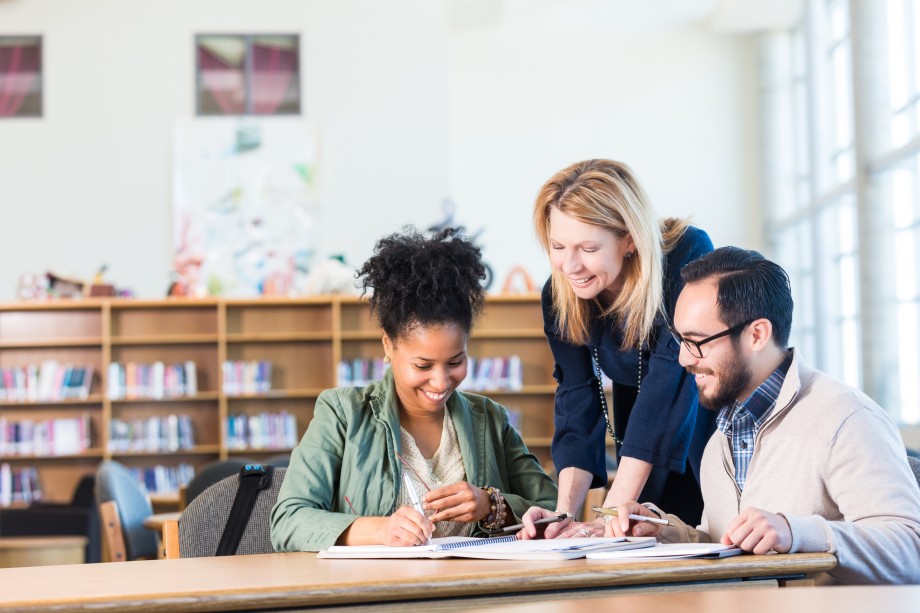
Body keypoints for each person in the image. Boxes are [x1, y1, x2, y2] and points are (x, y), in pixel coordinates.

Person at [608, 247, 920, 584]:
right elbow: (728, 548)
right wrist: (665, 532)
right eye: (680, 341)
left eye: (697, 341)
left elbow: (908, 548)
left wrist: (794, 531)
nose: (683, 359)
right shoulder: (719, 439)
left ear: (757, 335)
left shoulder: (848, 419)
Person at [270, 227, 558, 551]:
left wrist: (492, 507)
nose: (440, 381)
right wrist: (380, 531)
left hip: (475, 595)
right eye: (423, 366)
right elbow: (289, 520)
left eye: (455, 362)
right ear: (388, 345)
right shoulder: (342, 414)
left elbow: (554, 510)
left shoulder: (489, 419)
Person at [522, 159, 715, 539]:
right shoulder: (559, 294)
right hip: (640, 431)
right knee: (636, 540)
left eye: (588, 248)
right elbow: (576, 400)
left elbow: (669, 382)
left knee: (701, 540)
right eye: (558, 246)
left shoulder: (686, 254)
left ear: (629, 239)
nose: (569, 265)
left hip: (706, 422)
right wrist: (563, 515)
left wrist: (611, 513)